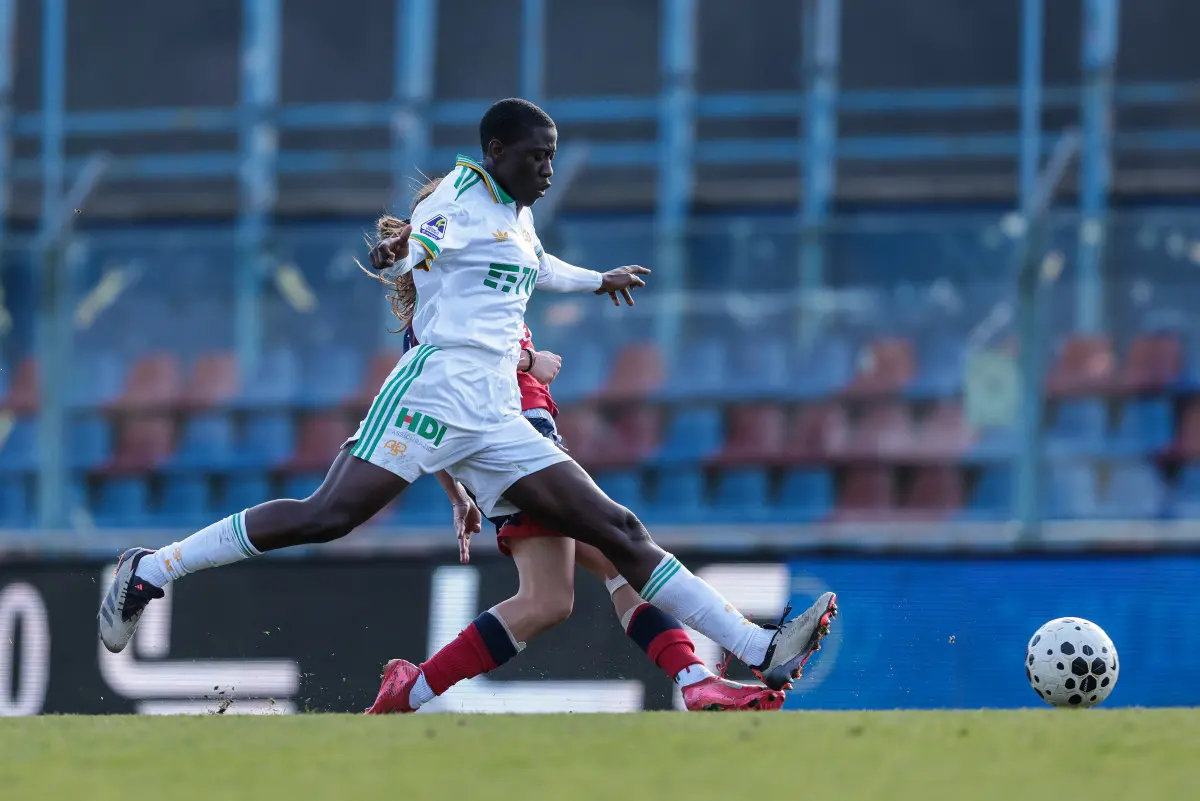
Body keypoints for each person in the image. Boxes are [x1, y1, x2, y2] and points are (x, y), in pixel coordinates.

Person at [98, 98, 837, 699]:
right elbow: (421, 244)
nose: (546, 168)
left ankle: (759, 646)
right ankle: (149, 571)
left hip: (495, 412)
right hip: (434, 389)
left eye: (551, 155)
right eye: (534, 155)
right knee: (327, 516)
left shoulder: (517, 214)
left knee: (615, 526)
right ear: (495, 152)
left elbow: (537, 265)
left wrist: (598, 278)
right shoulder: (459, 196)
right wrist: (399, 251)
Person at [360, 197, 785, 712]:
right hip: (513, 454)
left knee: (576, 584)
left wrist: (457, 494)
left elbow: (437, 396)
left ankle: (696, 677)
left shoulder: (475, 291)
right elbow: (439, 387)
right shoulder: (445, 311)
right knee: (585, 574)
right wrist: (527, 358)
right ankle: (713, 668)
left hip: (521, 446)